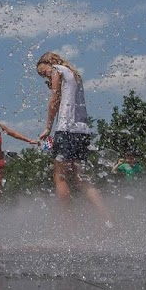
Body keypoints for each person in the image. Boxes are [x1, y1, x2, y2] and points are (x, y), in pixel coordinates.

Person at [35, 51, 110, 225]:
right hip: (82, 132)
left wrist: (48, 127)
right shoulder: (74, 74)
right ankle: (107, 219)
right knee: (79, 178)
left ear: (50, 62)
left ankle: (67, 226)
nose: (44, 75)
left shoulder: (56, 70)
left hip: (66, 130)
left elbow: (54, 100)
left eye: (42, 71)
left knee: (59, 177)